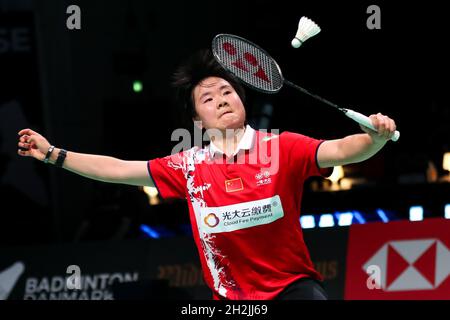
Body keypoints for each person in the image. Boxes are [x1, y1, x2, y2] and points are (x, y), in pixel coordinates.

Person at [17, 49, 397, 300]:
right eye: (208, 98)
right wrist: (54, 154)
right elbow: (118, 169)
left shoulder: (282, 147)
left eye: (227, 91)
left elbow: (341, 149)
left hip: (293, 290)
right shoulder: (189, 167)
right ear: (198, 120)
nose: (221, 100)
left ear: (241, 100)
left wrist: (374, 137)